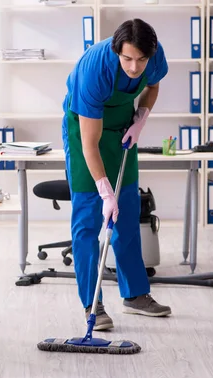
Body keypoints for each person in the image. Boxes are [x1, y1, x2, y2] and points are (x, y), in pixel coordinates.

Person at [62, 18, 172, 331]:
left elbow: (152, 86)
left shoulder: (153, 54)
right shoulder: (95, 70)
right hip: (84, 133)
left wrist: (142, 117)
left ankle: (136, 295)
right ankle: (91, 303)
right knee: (87, 221)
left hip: (124, 128)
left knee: (127, 214)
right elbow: (89, 143)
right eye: (127, 59)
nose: (135, 67)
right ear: (116, 51)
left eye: (141, 60)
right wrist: (104, 191)